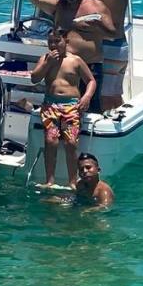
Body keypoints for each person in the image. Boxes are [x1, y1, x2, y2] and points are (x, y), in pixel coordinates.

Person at [10, 0, 116, 113]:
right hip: (63, 66)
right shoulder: (59, 5)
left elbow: (113, 34)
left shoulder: (97, 7)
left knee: (90, 110)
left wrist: (98, 25)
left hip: (89, 66)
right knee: (61, 109)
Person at [31, 29, 96, 188]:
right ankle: (49, 180)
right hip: (50, 105)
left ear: (66, 41)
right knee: (50, 141)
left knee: (71, 142)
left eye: (57, 41)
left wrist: (86, 97)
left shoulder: (75, 61)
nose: (53, 45)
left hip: (70, 106)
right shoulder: (45, 59)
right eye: (50, 41)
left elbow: (91, 81)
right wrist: (47, 64)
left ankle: (72, 182)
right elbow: (34, 78)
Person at [73, 0, 129, 111]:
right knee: (114, 95)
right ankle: (122, 119)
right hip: (119, 48)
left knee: (105, 96)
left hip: (111, 49)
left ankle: (107, 127)